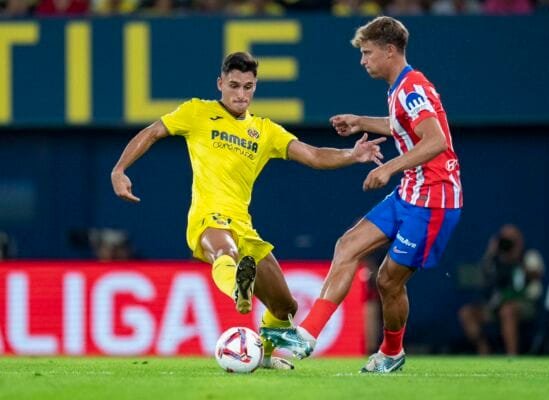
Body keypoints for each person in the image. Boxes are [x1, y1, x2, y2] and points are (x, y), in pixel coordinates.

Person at [110, 52, 385, 370]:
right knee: (224, 252)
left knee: (284, 306)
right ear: (220, 83)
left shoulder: (265, 131)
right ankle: (239, 287)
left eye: (248, 87)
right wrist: (120, 169)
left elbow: (312, 155)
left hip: (244, 225)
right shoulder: (197, 112)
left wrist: (352, 155)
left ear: (255, 87)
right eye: (234, 85)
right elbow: (152, 132)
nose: (241, 94)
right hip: (208, 217)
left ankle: (264, 355)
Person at [261, 16, 463, 373]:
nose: (362, 60)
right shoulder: (400, 87)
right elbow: (401, 124)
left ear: (390, 50)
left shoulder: (412, 88)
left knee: (388, 280)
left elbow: (437, 140)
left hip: (434, 199)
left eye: (368, 53)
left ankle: (391, 353)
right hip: (411, 191)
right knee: (347, 245)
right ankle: (307, 335)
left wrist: (388, 168)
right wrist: (360, 121)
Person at [458, 224, 544, 355]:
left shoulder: (529, 255)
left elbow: (536, 275)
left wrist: (516, 258)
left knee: (507, 310)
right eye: (504, 239)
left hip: (524, 303)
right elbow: (481, 277)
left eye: (511, 239)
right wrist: (490, 254)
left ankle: (511, 356)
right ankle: (484, 352)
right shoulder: (496, 259)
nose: (507, 243)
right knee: (466, 313)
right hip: (496, 303)